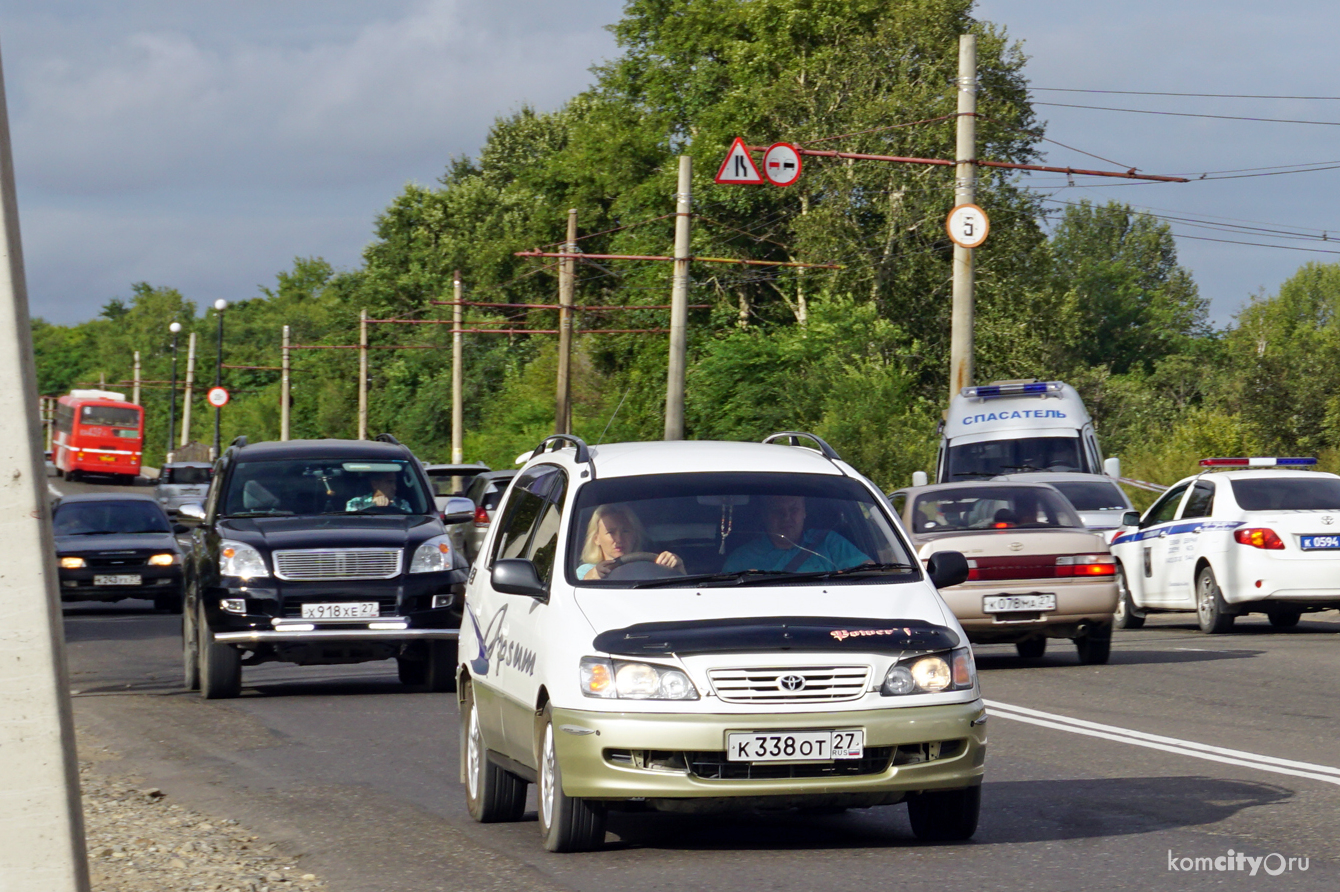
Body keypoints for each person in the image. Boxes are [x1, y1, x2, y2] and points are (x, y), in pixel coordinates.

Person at [723, 494, 870, 573]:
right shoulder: (741, 559)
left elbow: (869, 572)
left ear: (804, 512)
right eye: (778, 511)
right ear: (765, 516)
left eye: (794, 510)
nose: (787, 518)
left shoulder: (829, 542)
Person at [577, 503, 683, 580]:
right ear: (596, 539)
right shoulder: (584, 571)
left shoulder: (653, 568)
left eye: (625, 531)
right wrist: (591, 577)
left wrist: (677, 569)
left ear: (635, 535)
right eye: (611, 532)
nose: (618, 539)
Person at [346, 470, 411, 512]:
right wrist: (372, 505)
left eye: (395, 483)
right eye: (389, 482)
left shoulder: (402, 504)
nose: (394, 487)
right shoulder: (355, 503)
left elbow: (409, 522)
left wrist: (392, 506)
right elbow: (353, 524)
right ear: (375, 484)